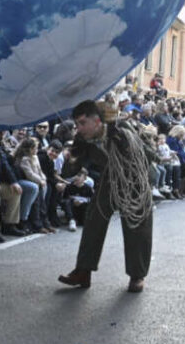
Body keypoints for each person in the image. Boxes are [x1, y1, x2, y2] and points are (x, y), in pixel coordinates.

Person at [58, 100, 152, 293]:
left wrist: (118, 137)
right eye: (77, 124)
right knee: (93, 219)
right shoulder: (82, 139)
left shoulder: (122, 128)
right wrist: (70, 159)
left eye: (83, 123)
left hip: (135, 180)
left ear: (97, 121)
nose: (79, 128)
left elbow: (145, 154)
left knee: (136, 225)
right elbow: (71, 169)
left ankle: (137, 275)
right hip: (109, 179)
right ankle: (83, 271)